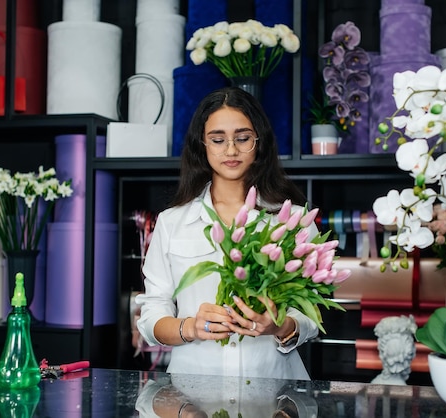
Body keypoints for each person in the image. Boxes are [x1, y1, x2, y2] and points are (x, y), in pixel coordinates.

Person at [135, 87, 319, 380]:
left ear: (259, 142)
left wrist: (280, 325)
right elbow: (151, 315)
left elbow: (312, 310)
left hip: (277, 390)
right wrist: (191, 327)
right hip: (191, 392)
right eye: (218, 140)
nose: (231, 150)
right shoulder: (172, 222)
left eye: (243, 138)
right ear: (202, 144)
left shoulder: (295, 220)